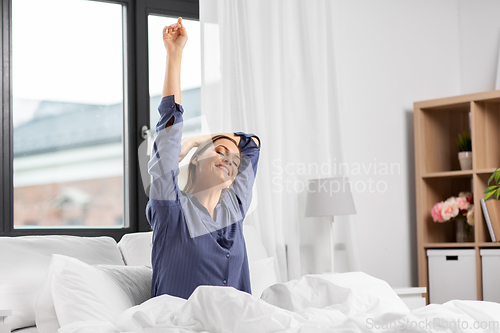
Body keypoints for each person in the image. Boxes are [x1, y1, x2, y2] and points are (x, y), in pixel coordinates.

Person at [146, 17, 261, 300]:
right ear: (195, 160)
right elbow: (168, 129)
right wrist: (175, 54)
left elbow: (252, 145)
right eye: (220, 152)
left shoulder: (233, 209)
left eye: (235, 161)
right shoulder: (171, 208)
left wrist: (201, 139)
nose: (231, 160)